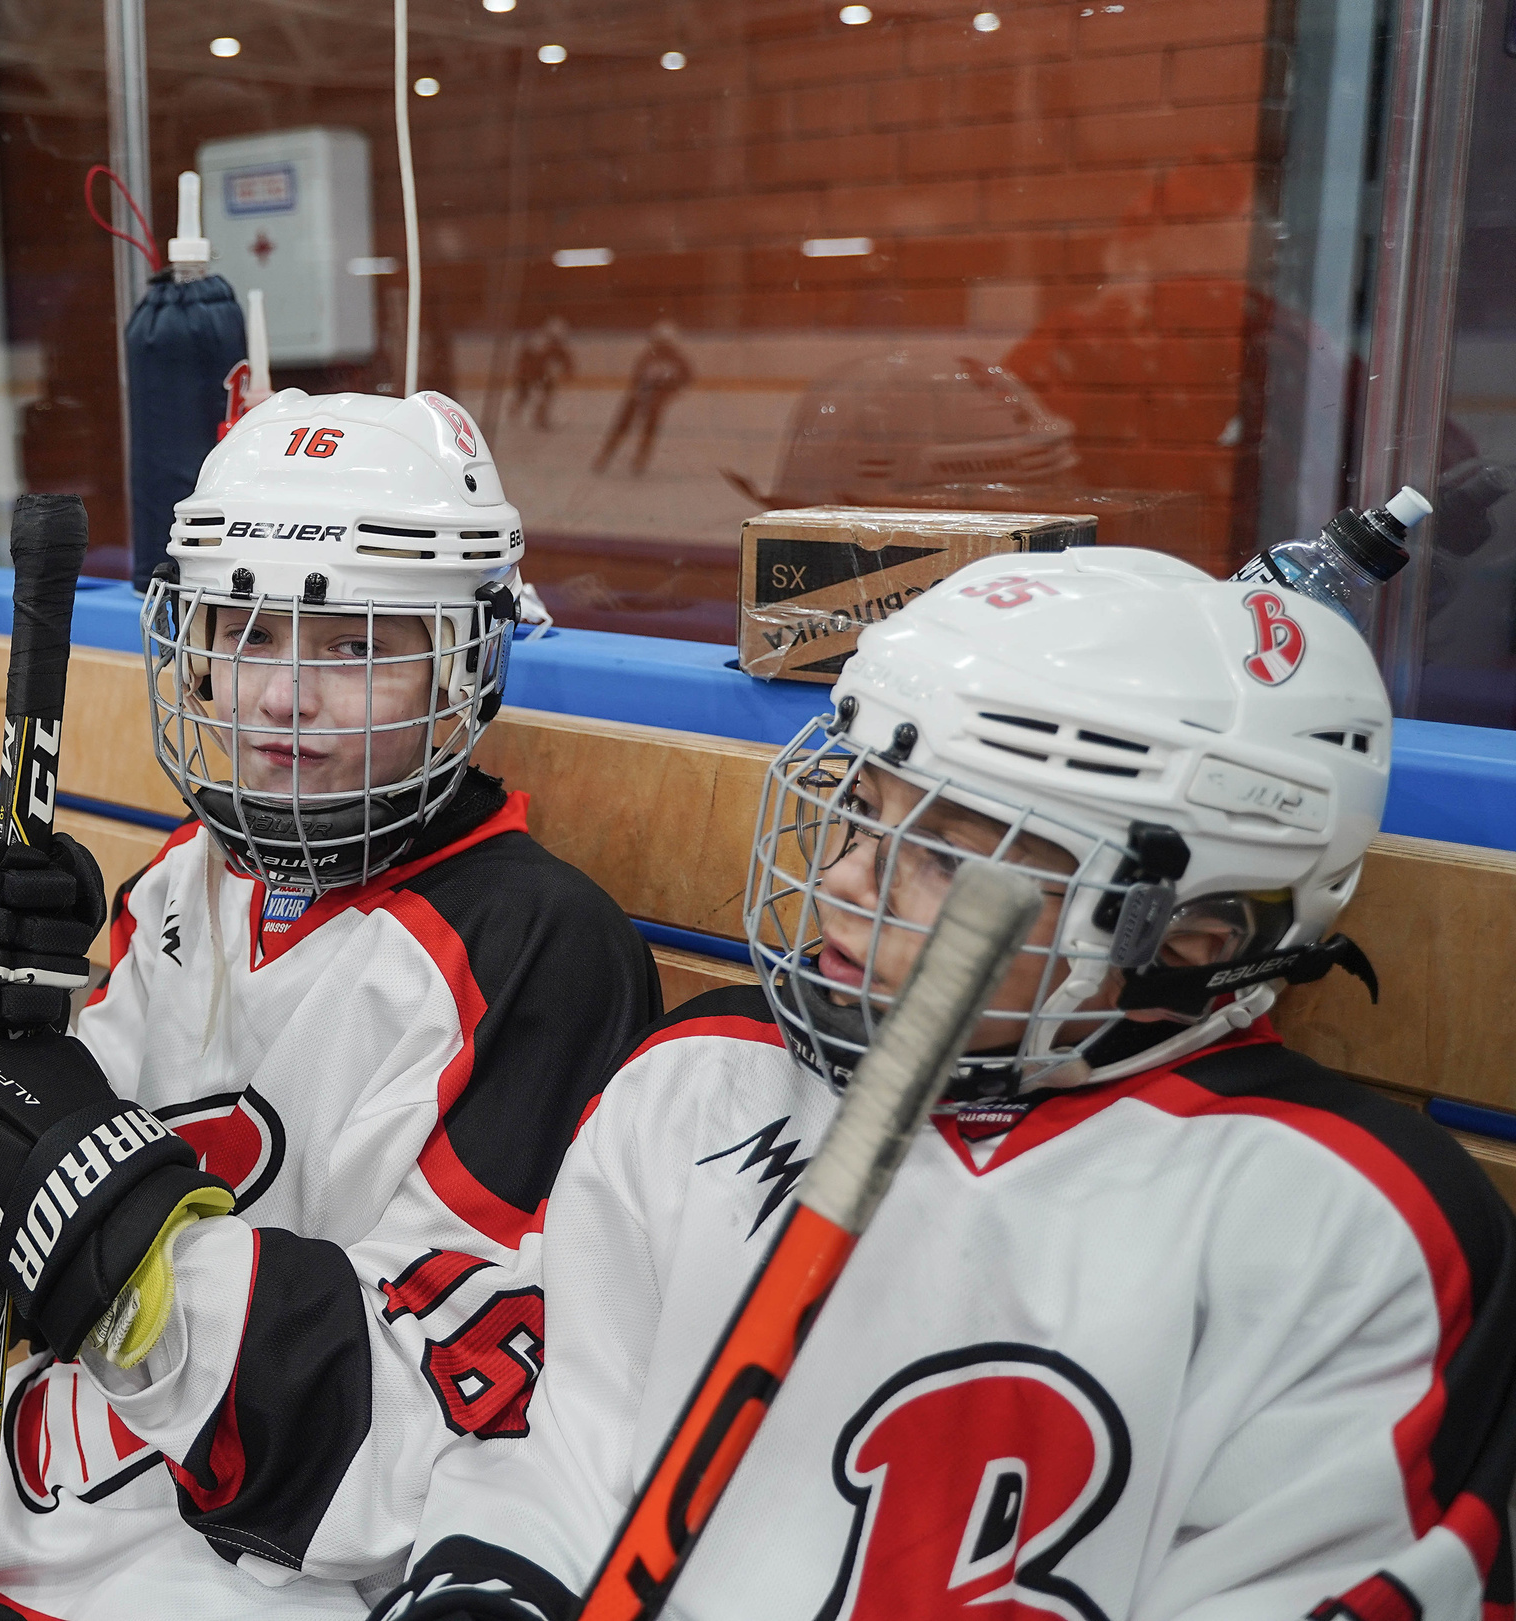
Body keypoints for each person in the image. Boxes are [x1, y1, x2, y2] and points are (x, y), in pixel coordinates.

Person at [0, 389, 666, 1619]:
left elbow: (417, 1444)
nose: (282, 699)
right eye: (244, 631)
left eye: (357, 644)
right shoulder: (187, 879)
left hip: (234, 1569)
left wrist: (99, 1204)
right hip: (28, 1478)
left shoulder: (539, 956)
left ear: (469, 658)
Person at [376, 549, 1516, 1621]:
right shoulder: (706, 1075)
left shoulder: (1352, 1228)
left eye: (943, 854)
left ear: (1195, 931)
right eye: (861, 815)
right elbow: (560, 1446)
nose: (841, 888)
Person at [590, 320, 691, 478]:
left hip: (653, 398)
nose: (661, 347)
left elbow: (686, 377)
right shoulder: (649, 355)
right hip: (640, 395)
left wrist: (669, 390)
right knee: (623, 425)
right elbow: (637, 375)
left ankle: (638, 459)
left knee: (647, 429)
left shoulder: (675, 359)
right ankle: (607, 455)